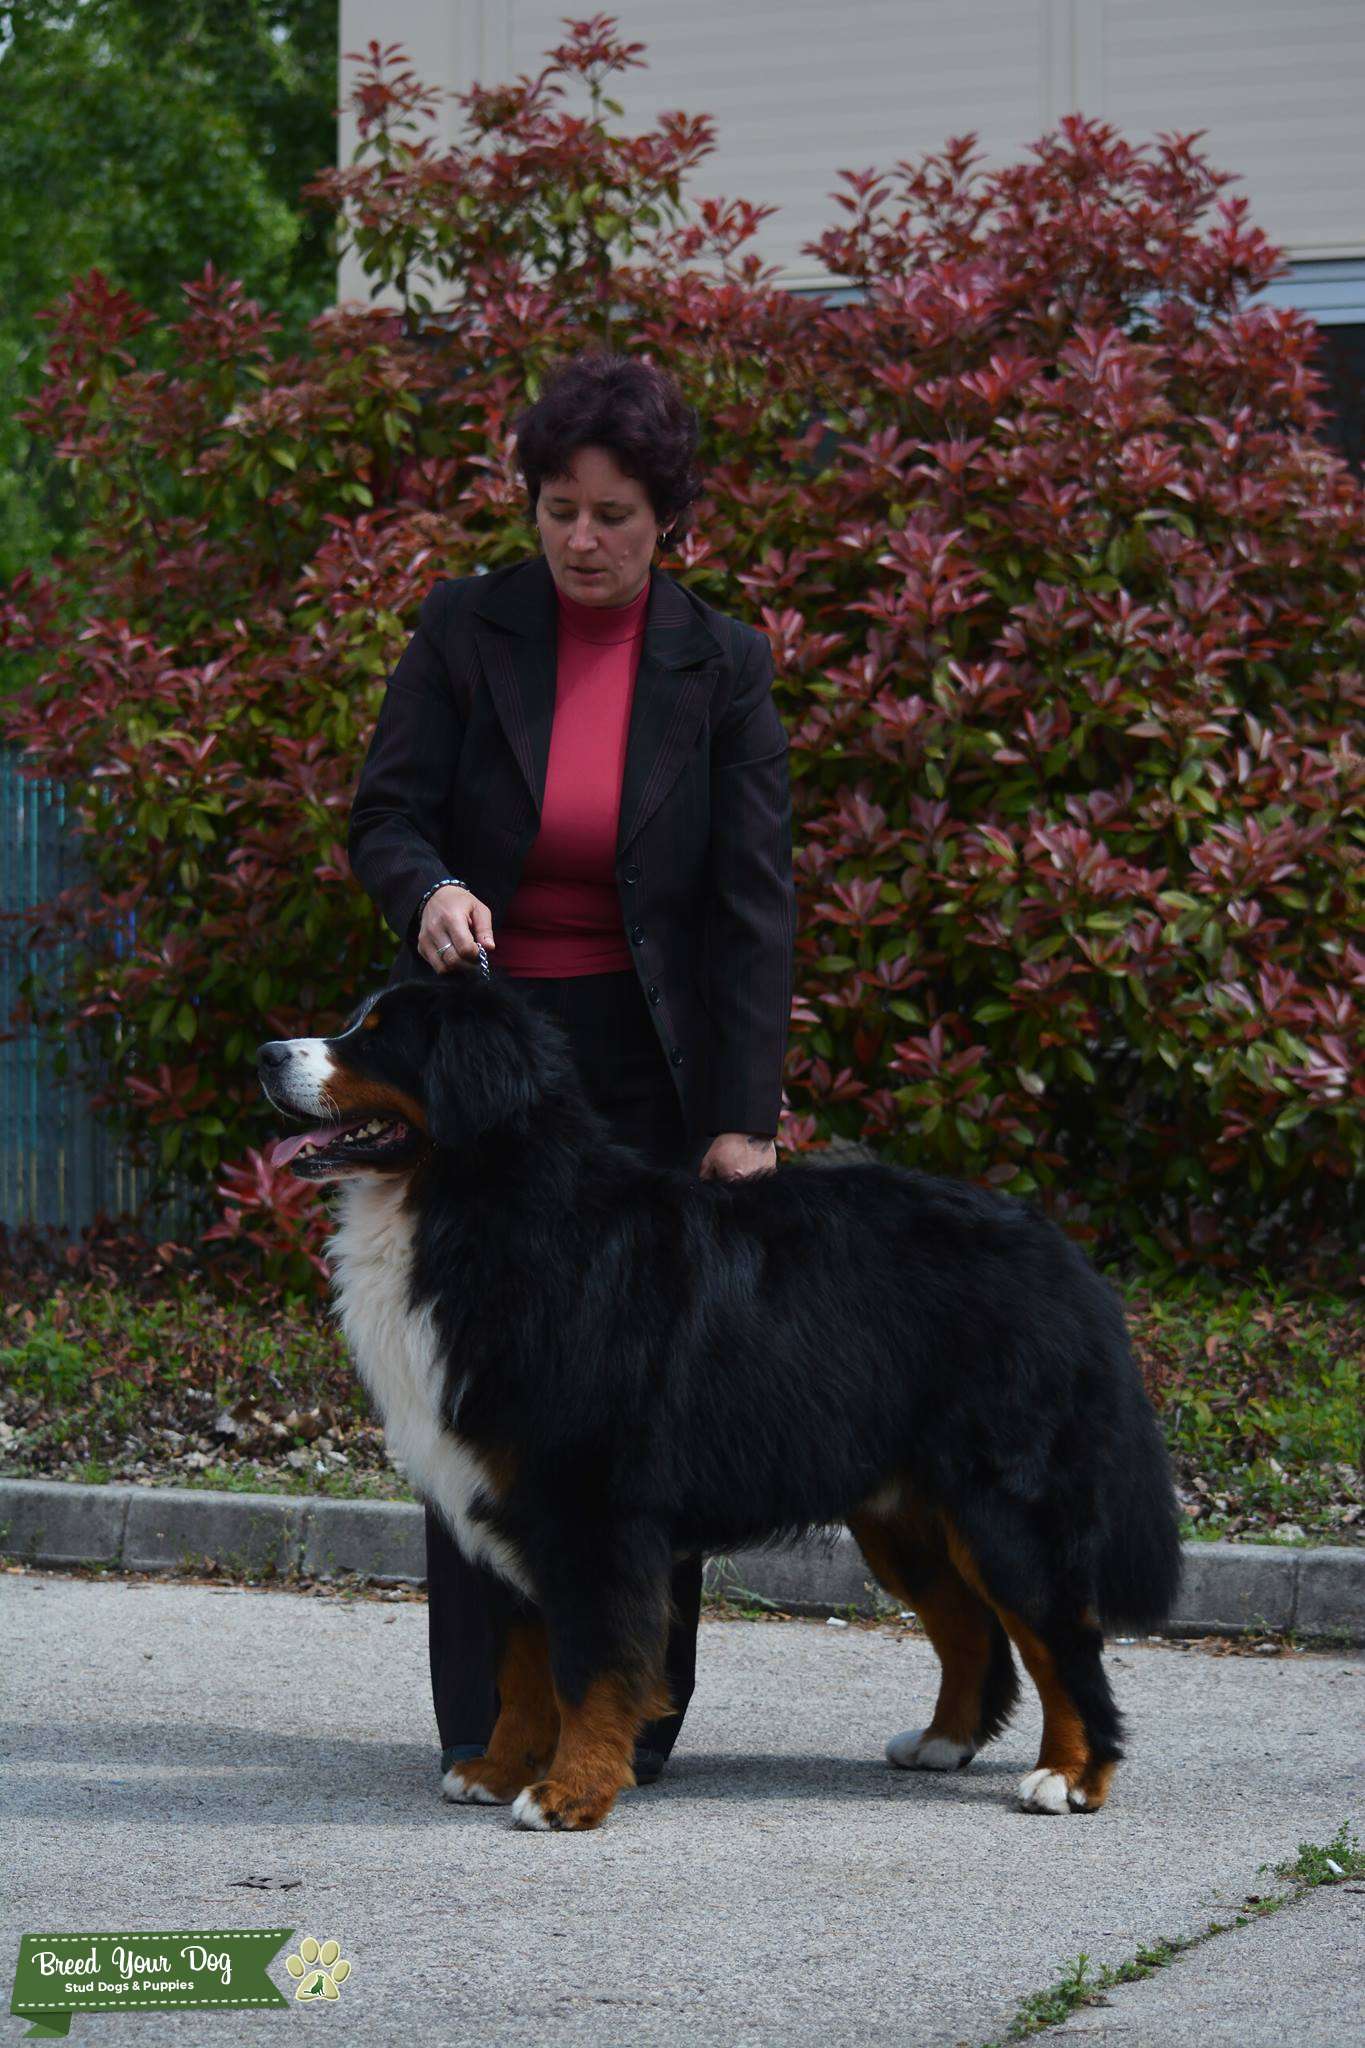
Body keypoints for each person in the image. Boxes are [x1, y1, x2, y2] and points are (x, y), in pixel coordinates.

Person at [345, 347, 796, 1792]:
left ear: (669, 516)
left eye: (612, 513)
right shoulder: (463, 628)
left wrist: (738, 1122)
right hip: (480, 1058)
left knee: (647, 1397)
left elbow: (747, 908)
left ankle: (631, 1714)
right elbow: (386, 813)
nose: (582, 540)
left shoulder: (719, 660)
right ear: (526, 503)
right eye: (557, 510)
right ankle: (491, 1719)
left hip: (641, 1061)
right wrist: (424, 892)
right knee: (481, 1373)